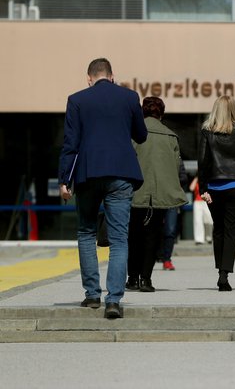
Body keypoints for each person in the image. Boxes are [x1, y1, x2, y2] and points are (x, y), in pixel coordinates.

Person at [58, 58, 147, 319]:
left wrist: (65, 179)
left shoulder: (77, 100)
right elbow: (141, 135)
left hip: (87, 174)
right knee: (119, 238)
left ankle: (92, 295)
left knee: (86, 233)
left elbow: (70, 143)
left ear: (89, 78)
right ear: (112, 76)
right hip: (121, 173)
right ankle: (114, 300)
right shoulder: (129, 97)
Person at [126, 97, 187, 292]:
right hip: (161, 193)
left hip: (136, 191)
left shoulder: (133, 132)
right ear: (162, 113)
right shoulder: (171, 136)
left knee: (133, 236)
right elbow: (177, 167)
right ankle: (146, 279)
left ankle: (132, 278)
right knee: (153, 236)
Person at [198, 96, 235, 291]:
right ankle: (224, 274)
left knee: (218, 230)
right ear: (234, 109)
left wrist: (203, 189)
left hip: (214, 188)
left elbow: (203, 162)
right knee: (231, 230)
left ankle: (220, 270)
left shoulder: (207, 131)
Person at [189, 175, 213, 245]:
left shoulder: (207, 180)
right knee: (198, 221)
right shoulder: (196, 181)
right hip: (197, 202)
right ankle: (199, 239)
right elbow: (191, 188)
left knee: (209, 220)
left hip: (206, 202)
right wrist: (196, 178)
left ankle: (209, 237)